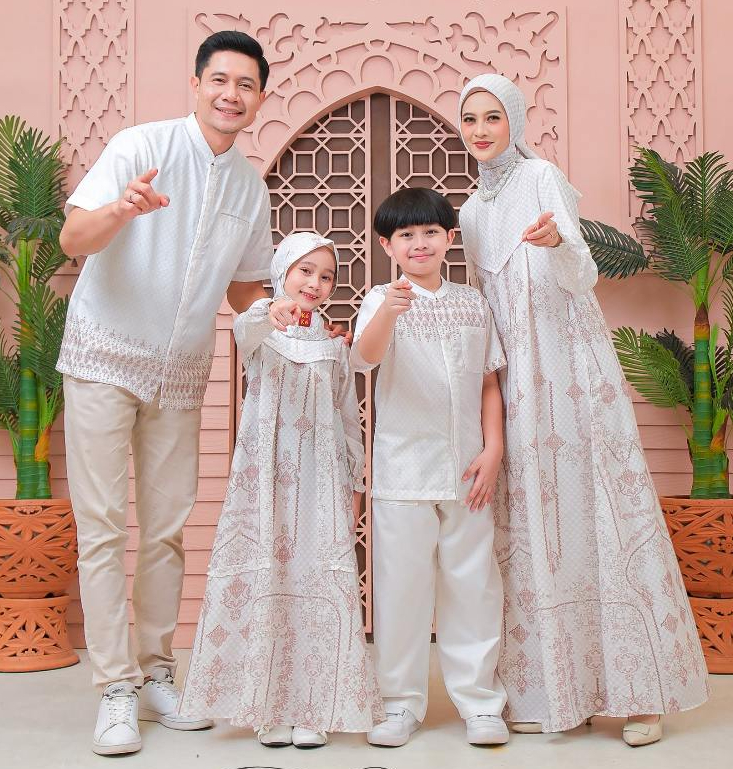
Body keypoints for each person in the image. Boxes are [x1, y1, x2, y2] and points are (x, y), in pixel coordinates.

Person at [457, 73, 709, 745]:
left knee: (600, 513)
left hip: (570, 368)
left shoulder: (542, 178)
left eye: (492, 117)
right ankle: (555, 690)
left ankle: (640, 693)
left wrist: (558, 244)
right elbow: (486, 307)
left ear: (514, 121)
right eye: (470, 119)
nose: (480, 130)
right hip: (517, 382)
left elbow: (582, 276)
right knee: (537, 524)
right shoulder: (469, 213)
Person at [57, 31, 274, 756]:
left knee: (166, 529)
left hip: (180, 371)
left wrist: (282, 312)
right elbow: (73, 238)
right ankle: (114, 687)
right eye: (220, 80)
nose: (230, 95)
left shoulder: (249, 188)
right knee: (102, 526)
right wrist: (122, 210)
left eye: (245, 85)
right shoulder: (140, 145)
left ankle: (155, 671)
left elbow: (244, 287)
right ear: (197, 82)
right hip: (103, 355)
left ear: (259, 98)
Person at [177, 231, 383, 747]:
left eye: (326, 276)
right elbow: (244, 328)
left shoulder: (334, 347)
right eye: (305, 271)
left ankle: (313, 708)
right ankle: (268, 706)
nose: (315, 283)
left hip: (320, 479)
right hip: (264, 479)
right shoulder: (260, 329)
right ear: (283, 272)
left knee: (314, 583)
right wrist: (270, 313)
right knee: (268, 577)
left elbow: (348, 419)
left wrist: (355, 480)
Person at [351, 188, 509, 747]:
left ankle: (481, 703)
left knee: (473, 585)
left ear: (449, 238)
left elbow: (488, 379)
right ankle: (399, 704)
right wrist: (389, 314)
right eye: (406, 236)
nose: (419, 244)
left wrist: (493, 449)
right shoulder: (381, 298)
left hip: (468, 470)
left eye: (430, 233)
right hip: (402, 470)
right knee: (401, 590)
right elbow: (364, 359)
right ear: (387, 246)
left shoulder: (472, 303)